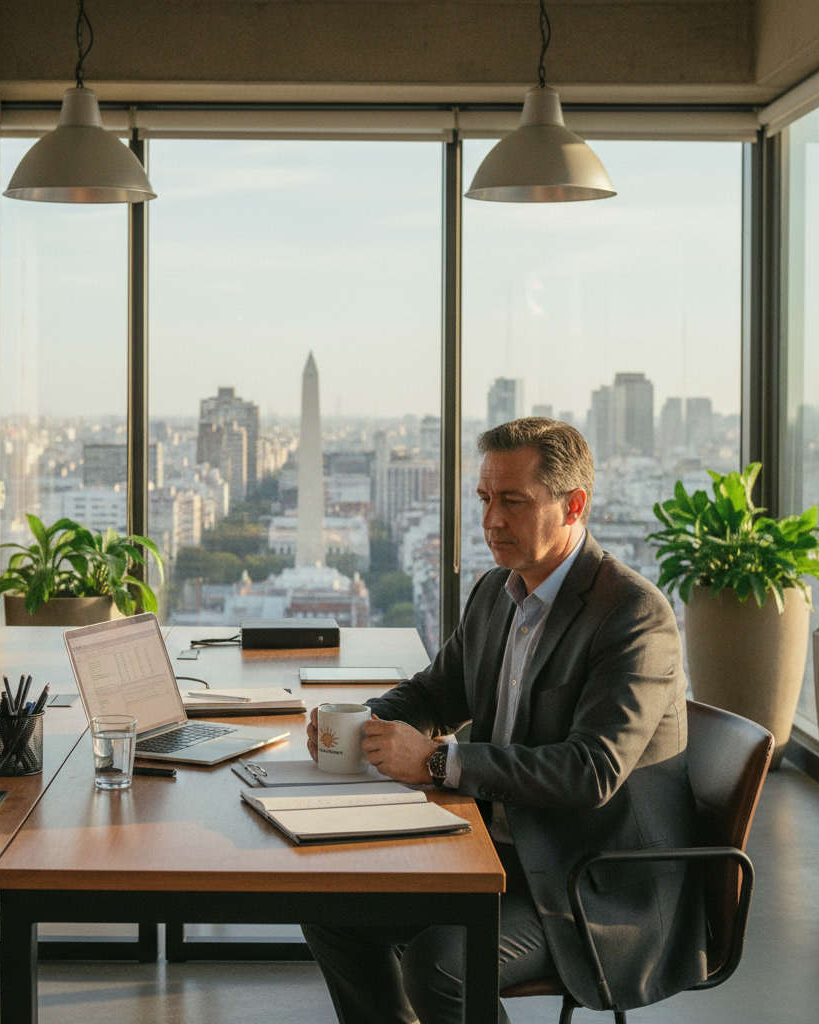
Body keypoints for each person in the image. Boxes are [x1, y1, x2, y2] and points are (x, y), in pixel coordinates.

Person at [301, 417, 706, 1024]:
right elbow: (435, 693)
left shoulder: (632, 614)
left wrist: (437, 760)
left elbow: (590, 771)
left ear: (574, 505)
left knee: (440, 965)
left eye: (513, 501)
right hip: (498, 849)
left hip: (590, 880)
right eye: (485, 499)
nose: (491, 520)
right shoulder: (497, 592)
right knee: (331, 906)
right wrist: (356, 723)